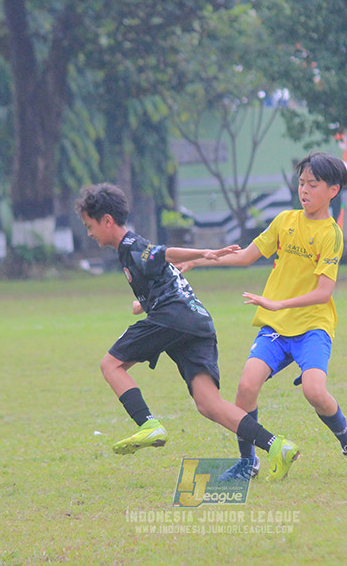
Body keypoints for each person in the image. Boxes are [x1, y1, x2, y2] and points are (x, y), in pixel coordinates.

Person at [74, 183, 299, 481]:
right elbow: (166, 274)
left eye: (90, 226)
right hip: (197, 322)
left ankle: (147, 424)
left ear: (107, 221)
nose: (89, 233)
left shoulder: (131, 245)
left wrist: (205, 253)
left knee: (111, 364)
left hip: (175, 318)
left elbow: (164, 254)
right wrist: (144, 303)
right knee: (209, 404)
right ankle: (276, 446)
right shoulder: (129, 251)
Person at [179, 152, 347, 480]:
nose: (304, 190)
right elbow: (245, 257)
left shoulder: (331, 234)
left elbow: (324, 292)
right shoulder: (285, 221)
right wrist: (199, 260)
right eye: (301, 183)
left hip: (313, 325)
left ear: (333, 190)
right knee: (245, 388)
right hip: (276, 328)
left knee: (314, 391)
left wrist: (279, 304)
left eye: (313, 185)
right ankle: (249, 463)